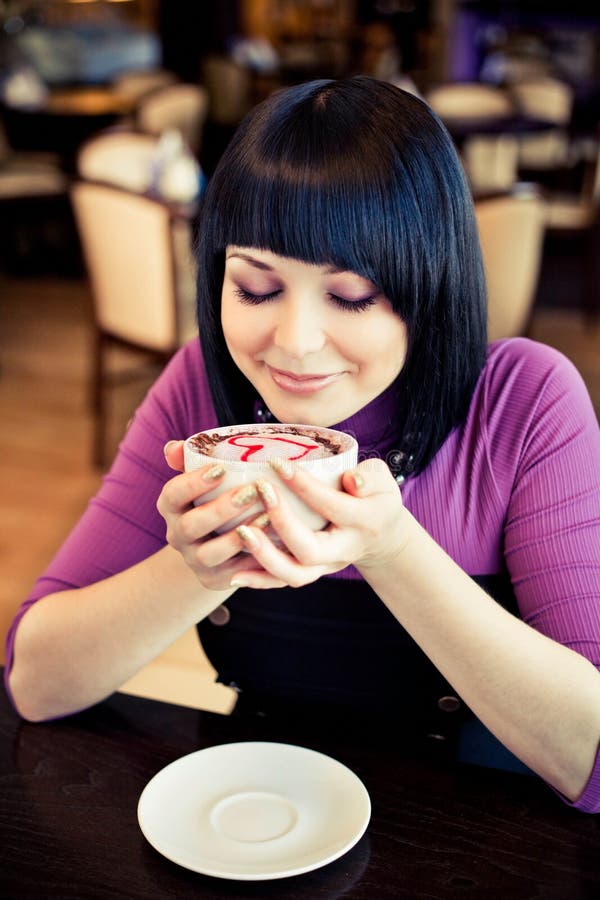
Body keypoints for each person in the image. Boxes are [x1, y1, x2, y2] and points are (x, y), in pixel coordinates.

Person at [5, 76, 600, 813]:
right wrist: (198, 565)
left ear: (432, 284)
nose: (294, 343)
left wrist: (390, 550)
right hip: (258, 806)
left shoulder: (524, 401)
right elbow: (33, 681)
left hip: (479, 828)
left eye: (350, 296)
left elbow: (592, 761)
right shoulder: (205, 390)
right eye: (255, 288)